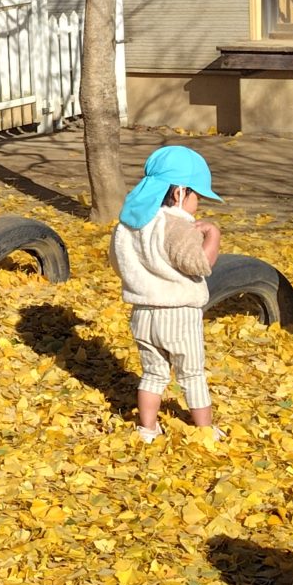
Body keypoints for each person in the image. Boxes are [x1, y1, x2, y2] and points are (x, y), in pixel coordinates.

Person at [109, 143, 222, 439]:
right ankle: (204, 430)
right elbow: (200, 264)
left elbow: (118, 262)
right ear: (180, 193)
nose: (198, 204)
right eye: (197, 196)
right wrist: (213, 235)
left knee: (153, 373)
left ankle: (147, 428)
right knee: (192, 374)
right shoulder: (176, 226)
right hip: (179, 313)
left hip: (142, 313)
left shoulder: (128, 225)